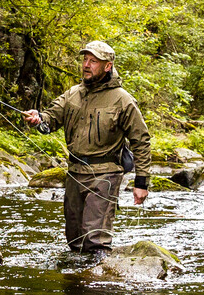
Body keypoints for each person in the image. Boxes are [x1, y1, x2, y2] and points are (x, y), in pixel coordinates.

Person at [23, 41, 152, 257]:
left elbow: (141, 140)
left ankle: (95, 286)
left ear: (107, 66)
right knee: (74, 239)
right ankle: (76, 286)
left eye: (93, 61)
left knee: (95, 241)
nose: (86, 65)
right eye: (85, 60)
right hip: (74, 174)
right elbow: (50, 119)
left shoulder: (123, 100)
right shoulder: (73, 93)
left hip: (105, 176)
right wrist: (38, 119)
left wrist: (142, 183)